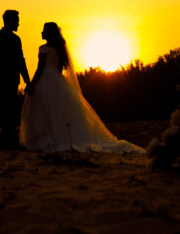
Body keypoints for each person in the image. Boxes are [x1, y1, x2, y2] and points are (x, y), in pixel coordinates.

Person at [20, 22, 144, 153]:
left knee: (44, 110)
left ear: (48, 33)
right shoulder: (60, 48)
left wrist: (31, 84)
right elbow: (59, 68)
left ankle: (45, 139)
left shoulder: (43, 48)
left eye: (44, 30)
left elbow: (40, 68)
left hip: (45, 79)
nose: (41, 32)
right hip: (57, 79)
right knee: (58, 111)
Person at [0, 10, 30, 149]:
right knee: (9, 108)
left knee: (8, 108)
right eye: (17, 20)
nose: (18, 22)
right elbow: (19, 60)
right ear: (10, 21)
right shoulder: (11, 38)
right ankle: (8, 141)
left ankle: (7, 140)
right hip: (8, 77)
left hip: (7, 78)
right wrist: (27, 79)